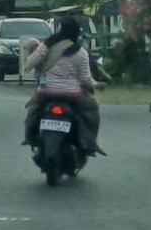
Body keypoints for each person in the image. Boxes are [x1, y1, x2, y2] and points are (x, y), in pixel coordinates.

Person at [22, 15, 104, 155]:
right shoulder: (81, 51)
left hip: (46, 93)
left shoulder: (47, 45)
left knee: (33, 109)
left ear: (60, 29)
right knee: (91, 109)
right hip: (73, 95)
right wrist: (97, 85)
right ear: (77, 32)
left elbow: (29, 64)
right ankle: (90, 143)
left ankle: (29, 137)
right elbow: (85, 79)